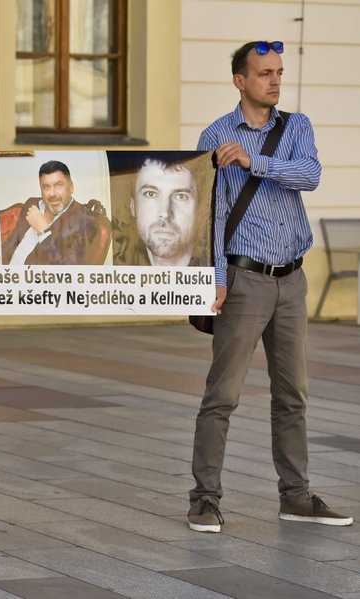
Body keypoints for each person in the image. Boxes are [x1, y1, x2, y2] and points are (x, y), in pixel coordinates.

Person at [187, 40, 352, 533]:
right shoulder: (216, 134)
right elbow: (212, 214)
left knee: (293, 395)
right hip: (243, 279)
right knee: (223, 395)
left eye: (278, 72)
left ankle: (296, 496)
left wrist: (255, 162)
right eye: (263, 74)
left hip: (293, 279)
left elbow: (310, 176)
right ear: (240, 80)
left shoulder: (296, 127)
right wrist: (214, 279)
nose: (275, 81)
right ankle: (204, 499)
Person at [1, 160, 111, 265]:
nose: (52, 193)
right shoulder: (32, 204)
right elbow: (10, 244)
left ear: (71, 187)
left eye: (58, 185)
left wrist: (43, 231)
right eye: (46, 187)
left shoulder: (87, 224)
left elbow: (67, 275)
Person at [128, 158, 200, 266]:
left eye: (181, 196)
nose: (165, 213)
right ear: (133, 206)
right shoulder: (116, 268)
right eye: (150, 194)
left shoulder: (219, 277)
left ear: (199, 209)